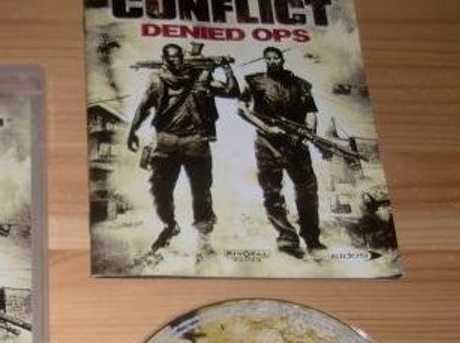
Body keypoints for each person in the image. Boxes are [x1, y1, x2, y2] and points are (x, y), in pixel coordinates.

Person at [126, 43, 239, 256]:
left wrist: (226, 69)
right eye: (169, 58)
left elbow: (232, 92)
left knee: (201, 190)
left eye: (178, 57)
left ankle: (204, 239)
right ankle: (169, 225)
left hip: (195, 140)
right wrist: (132, 131)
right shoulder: (157, 79)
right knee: (160, 188)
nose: (174, 61)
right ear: (164, 59)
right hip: (166, 140)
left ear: (183, 58)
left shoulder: (201, 76)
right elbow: (143, 106)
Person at [238, 46, 325, 258]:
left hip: (296, 143)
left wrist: (308, 132)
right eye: (268, 58)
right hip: (268, 144)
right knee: (272, 192)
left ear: (282, 59)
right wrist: (267, 128)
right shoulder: (254, 81)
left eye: (276, 57)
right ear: (264, 60)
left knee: (308, 190)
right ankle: (287, 237)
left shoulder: (301, 84)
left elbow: (311, 112)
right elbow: (242, 108)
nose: (272, 61)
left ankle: (312, 238)